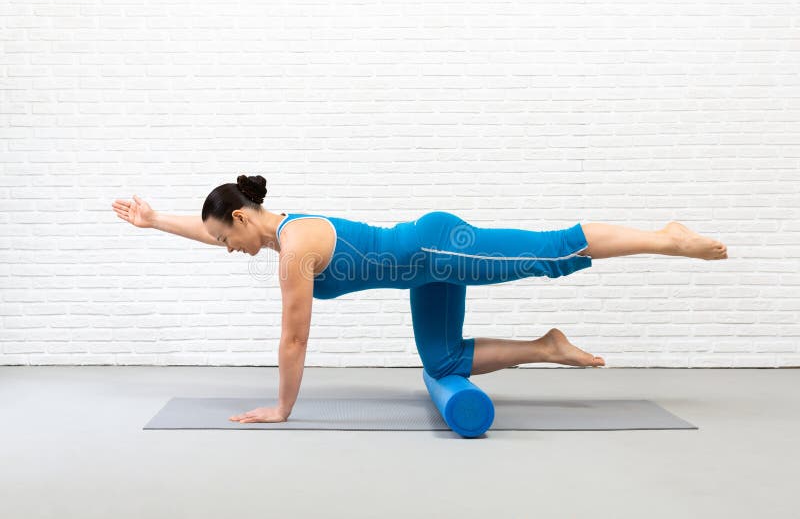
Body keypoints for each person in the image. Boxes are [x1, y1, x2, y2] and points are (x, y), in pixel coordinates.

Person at [112, 174, 728, 424]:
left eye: (225, 239)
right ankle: (547, 346)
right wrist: (156, 220)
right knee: (441, 364)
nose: (224, 248)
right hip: (423, 275)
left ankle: (663, 237)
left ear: (244, 219)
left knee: (552, 251)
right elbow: (206, 228)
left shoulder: (296, 251)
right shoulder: (280, 234)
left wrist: (281, 409)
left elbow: (294, 340)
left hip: (441, 249)